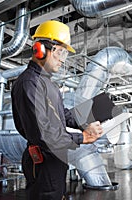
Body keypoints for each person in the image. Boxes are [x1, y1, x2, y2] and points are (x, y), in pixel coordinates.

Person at [11, 20, 103, 200]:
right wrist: (82, 137)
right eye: (59, 52)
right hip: (43, 162)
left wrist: (89, 118)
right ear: (40, 49)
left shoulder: (48, 83)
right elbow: (44, 134)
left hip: (55, 160)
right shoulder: (29, 83)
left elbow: (63, 114)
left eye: (65, 54)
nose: (62, 59)